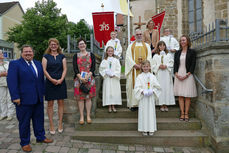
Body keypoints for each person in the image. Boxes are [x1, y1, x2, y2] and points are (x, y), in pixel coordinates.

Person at [7, 45, 53, 152]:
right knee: (24, 122)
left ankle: (40, 137)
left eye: (30, 51)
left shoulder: (38, 63)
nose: (28, 53)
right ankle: (25, 142)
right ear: (21, 53)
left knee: (39, 120)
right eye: (26, 51)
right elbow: (12, 82)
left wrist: (43, 93)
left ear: (33, 53)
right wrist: (15, 97)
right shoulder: (15, 64)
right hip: (23, 100)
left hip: (38, 98)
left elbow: (41, 80)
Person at [42, 38, 67, 135]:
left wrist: (61, 79)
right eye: (52, 44)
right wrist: (51, 79)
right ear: (49, 45)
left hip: (61, 82)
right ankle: (52, 125)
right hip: (49, 82)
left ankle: (60, 124)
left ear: (58, 45)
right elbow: (44, 70)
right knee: (50, 105)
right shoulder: (45, 56)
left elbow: (65, 69)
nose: (53, 46)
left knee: (61, 103)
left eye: (55, 44)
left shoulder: (62, 56)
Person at [125, 29, 152, 111]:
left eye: (140, 34)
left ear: (142, 35)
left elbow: (149, 57)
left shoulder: (147, 46)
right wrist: (134, 65)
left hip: (145, 70)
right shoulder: (131, 46)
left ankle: (144, 103)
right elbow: (128, 57)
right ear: (135, 36)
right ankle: (133, 104)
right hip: (134, 70)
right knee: (132, 85)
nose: (139, 35)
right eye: (137, 34)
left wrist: (144, 66)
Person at [174, 35, 197, 122]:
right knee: (180, 95)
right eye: (181, 41)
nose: (182, 42)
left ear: (187, 41)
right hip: (179, 74)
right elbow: (175, 64)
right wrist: (176, 73)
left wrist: (187, 74)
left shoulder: (192, 52)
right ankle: (182, 113)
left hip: (188, 74)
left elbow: (193, 64)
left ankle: (186, 114)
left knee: (187, 96)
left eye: (184, 40)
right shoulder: (177, 52)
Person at [134, 60, 161, 136]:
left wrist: (153, 91)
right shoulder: (139, 77)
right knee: (144, 113)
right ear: (141, 67)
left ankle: (151, 128)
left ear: (149, 67)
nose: (146, 68)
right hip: (143, 98)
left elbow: (158, 87)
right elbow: (136, 88)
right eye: (144, 66)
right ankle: (144, 129)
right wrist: (142, 91)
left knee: (150, 113)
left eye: (147, 66)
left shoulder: (153, 76)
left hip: (150, 98)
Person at [73, 38, 96, 125]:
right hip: (79, 80)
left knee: (88, 98)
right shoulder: (76, 56)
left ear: (86, 45)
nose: (82, 45)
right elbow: (75, 68)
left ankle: (88, 116)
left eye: (83, 44)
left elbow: (93, 67)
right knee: (80, 99)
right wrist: (80, 78)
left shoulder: (91, 55)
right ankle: (82, 116)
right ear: (78, 46)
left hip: (89, 79)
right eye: (80, 44)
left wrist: (87, 76)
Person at [151, 41, 175, 112]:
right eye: (160, 46)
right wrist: (158, 66)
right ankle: (161, 104)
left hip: (166, 74)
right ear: (158, 47)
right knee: (160, 88)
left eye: (163, 45)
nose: (162, 47)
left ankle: (166, 104)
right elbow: (153, 65)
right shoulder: (155, 56)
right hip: (159, 74)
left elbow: (171, 63)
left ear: (165, 46)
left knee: (166, 88)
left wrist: (166, 66)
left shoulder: (168, 55)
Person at [99, 46, 122, 112]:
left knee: (114, 92)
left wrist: (114, 74)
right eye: (109, 51)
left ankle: (113, 106)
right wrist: (106, 73)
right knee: (108, 92)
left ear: (113, 52)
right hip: (107, 78)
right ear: (106, 52)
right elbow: (101, 69)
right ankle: (109, 106)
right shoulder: (104, 60)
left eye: (111, 51)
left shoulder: (116, 60)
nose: (110, 52)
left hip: (114, 78)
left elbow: (118, 69)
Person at [0, 50, 14, 121]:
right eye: (1, 53)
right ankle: (3, 114)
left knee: (9, 98)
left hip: (9, 83)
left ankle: (10, 114)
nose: (2, 54)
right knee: (2, 99)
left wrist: (8, 73)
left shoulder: (7, 63)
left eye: (2, 53)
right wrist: (1, 74)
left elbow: (12, 71)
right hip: (1, 84)